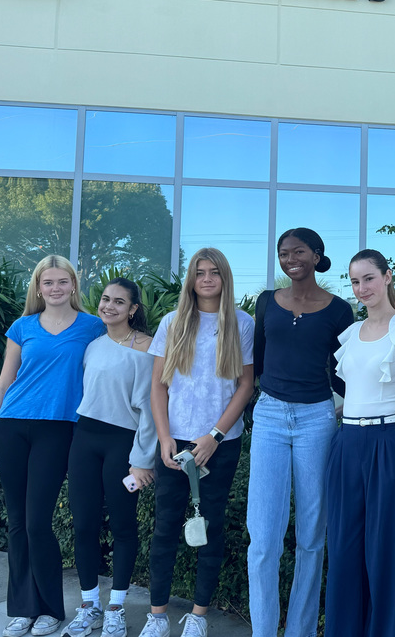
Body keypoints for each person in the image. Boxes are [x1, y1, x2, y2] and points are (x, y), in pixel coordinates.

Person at [0, 255, 104, 637]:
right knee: (17, 524)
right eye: (47, 283)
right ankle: (22, 610)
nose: (55, 288)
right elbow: (3, 383)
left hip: (59, 429)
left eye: (62, 281)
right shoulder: (22, 326)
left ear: (74, 285)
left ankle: (50, 609)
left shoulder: (93, 327)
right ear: (38, 287)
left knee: (37, 522)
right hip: (11, 426)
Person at [139, 248, 255, 637]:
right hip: (176, 442)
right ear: (191, 279)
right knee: (166, 527)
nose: (206, 279)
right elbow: (158, 386)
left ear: (225, 278)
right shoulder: (173, 323)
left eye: (214, 273)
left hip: (220, 443)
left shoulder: (241, 323)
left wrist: (215, 436)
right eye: (199, 273)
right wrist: (166, 437)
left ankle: (198, 616)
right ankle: (157, 616)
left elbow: (245, 385)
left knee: (211, 526)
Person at [247, 228, 354, 637]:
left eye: (298, 252)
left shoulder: (339, 310)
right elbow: (254, 362)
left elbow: (344, 373)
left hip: (317, 420)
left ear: (316, 255)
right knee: (263, 540)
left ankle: (301, 631)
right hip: (271, 417)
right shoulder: (266, 303)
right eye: (283, 253)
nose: (290, 259)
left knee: (311, 536)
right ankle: (263, 631)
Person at [324, 249, 395, 636]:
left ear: (388, 277)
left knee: (385, 551)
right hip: (348, 443)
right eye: (355, 281)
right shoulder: (349, 334)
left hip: (389, 440)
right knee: (344, 549)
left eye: (369, 278)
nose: (362, 288)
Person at [62, 278, 156, 637]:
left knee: (122, 525)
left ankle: (116, 607)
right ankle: (89, 606)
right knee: (84, 523)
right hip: (84, 439)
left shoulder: (148, 349)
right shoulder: (92, 345)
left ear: (133, 309)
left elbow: (149, 409)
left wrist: (141, 458)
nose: (109, 306)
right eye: (105, 299)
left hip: (123, 443)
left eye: (119, 302)